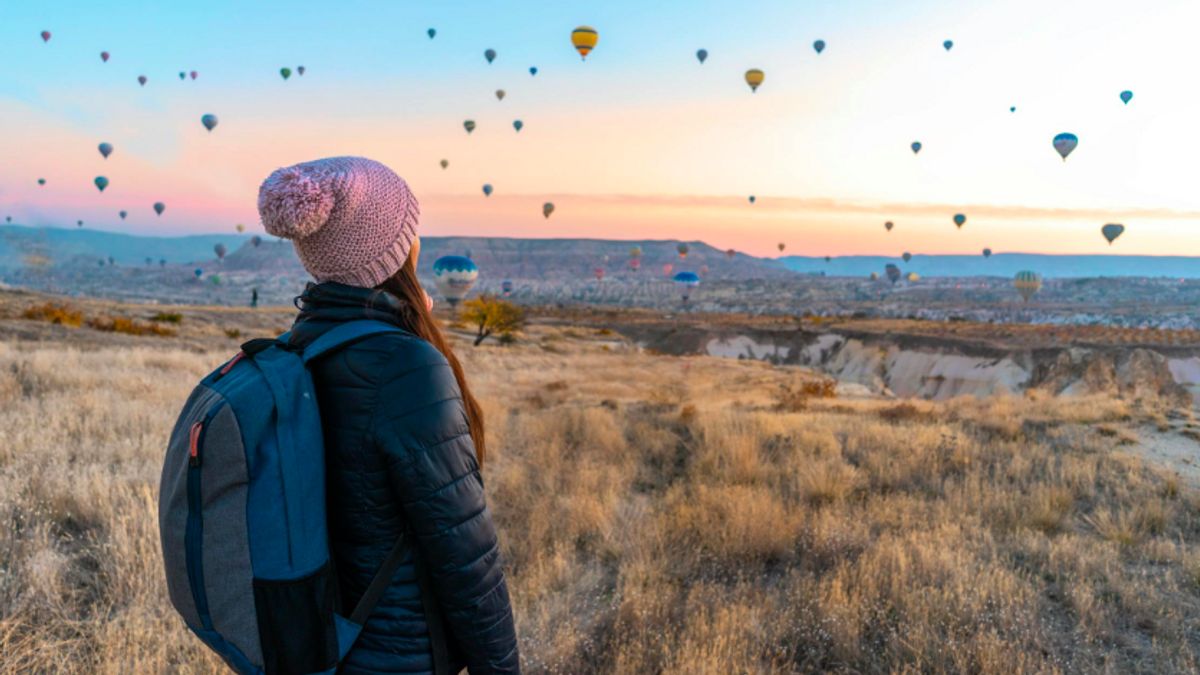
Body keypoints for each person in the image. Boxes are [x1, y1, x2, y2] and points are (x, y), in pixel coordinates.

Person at [258, 157, 519, 674]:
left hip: (322, 644)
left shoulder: (299, 346)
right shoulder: (404, 365)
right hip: (400, 655)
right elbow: (465, 553)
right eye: (410, 228)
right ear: (395, 250)